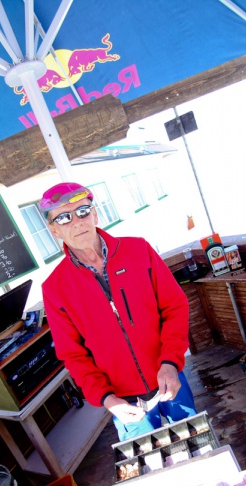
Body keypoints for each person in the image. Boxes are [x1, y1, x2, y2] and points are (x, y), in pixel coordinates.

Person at [40, 182, 196, 441]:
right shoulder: (55, 288)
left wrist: (170, 363)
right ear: (54, 230)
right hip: (121, 400)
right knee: (148, 457)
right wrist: (106, 399)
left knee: (195, 438)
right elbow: (73, 355)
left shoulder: (139, 250)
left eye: (82, 211)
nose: (77, 222)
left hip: (169, 375)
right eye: (64, 218)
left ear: (95, 214)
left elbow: (174, 307)